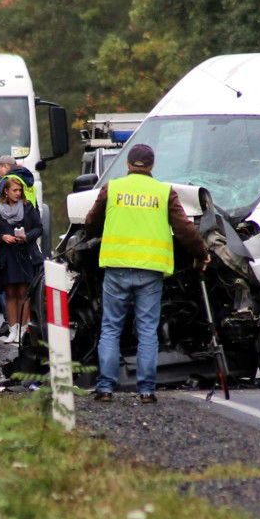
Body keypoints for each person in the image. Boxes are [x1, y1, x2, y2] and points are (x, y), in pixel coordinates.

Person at [85, 144, 210, 404]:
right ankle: (146, 390)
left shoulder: (113, 188)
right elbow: (185, 230)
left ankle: (106, 388)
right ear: (152, 166)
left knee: (110, 328)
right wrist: (202, 252)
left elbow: (91, 223)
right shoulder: (164, 192)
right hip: (150, 272)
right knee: (147, 331)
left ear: (128, 164)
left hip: (117, 267)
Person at [0, 176, 42, 344]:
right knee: (10, 293)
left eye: (20, 191)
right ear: (6, 191)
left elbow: (39, 228)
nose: (18, 194)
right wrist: (2, 237)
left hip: (24, 254)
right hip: (5, 256)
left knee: (24, 293)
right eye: (15, 190)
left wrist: (26, 237)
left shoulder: (27, 207)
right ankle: (12, 329)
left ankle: (24, 330)